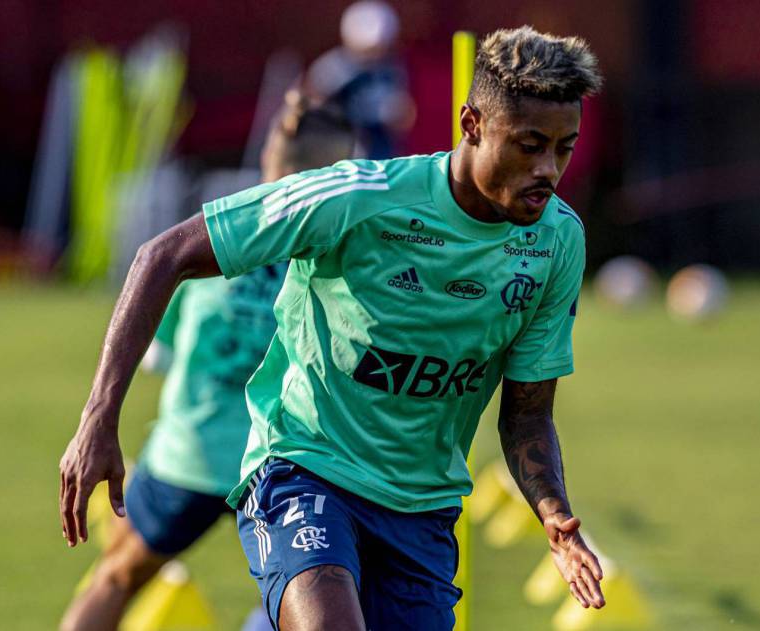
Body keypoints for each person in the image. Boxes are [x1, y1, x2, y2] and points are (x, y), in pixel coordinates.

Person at [60, 26, 606, 630]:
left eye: (565, 147)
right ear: (472, 124)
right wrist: (98, 420)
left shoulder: (558, 241)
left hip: (420, 505)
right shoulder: (360, 198)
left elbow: (527, 411)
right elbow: (162, 255)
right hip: (303, 466)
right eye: (530, 145)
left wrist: (554, 515)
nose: (549, 169)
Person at [58, 94, 355, 631]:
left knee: (116, 577)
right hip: (291, 461)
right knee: (310, 597)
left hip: (191, 453)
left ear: (271, 155)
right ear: (336, 171)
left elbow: (158, 354)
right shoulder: (344, 249)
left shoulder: (206, 241)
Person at [304, 0, 414, 158]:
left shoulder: (391, 70)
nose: (374, 54)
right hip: (339, 158)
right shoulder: (333, 69)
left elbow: (401, 117)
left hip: (378, 158)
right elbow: (311, 109)